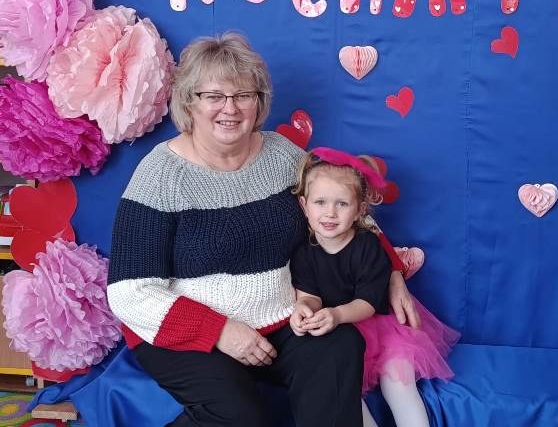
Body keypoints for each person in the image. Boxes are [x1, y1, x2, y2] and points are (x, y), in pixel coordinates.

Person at [106, 32, 419, 427]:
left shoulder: (282, 155)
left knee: (340, 344)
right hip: (190, 334)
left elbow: (344, 208)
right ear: (189, 102)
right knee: (239, 416)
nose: (230, 108)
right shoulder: (159, 176)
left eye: (243, 95)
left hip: (281, 319)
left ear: (259, 102)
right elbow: (129, 292)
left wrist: (391, 273)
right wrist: (219, 331)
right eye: (214, 96)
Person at [289, 148, 460, 427]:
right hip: (340, 335)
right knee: (340, 390)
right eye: (320, 202)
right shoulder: (303, 254)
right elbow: (310, 295)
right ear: (304, 205)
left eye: (342, 203)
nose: (330, 213)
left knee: (399, 384)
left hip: (381, 328)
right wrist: (305, 308)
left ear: (360, 209)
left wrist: (337, 315)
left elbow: (368, 303)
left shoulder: (368, 246)